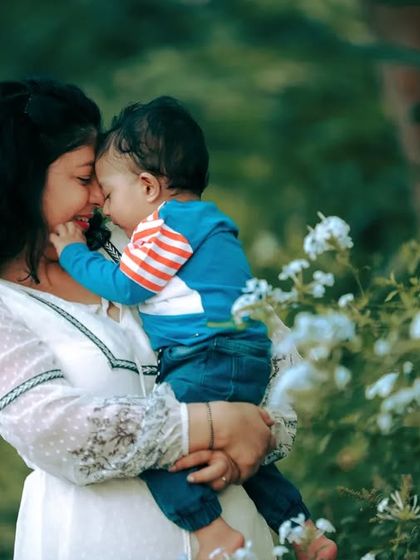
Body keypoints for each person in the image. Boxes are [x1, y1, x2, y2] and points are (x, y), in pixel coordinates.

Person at [0, 78, 310, 560]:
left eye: (103, 185)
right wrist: (216, 423)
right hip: (91, 541)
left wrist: (253, 441)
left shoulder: (143, 241)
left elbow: (281, 360)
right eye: (85, 181)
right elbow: (51, 427)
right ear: (21, 179)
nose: (99, 199)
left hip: (240, 536)